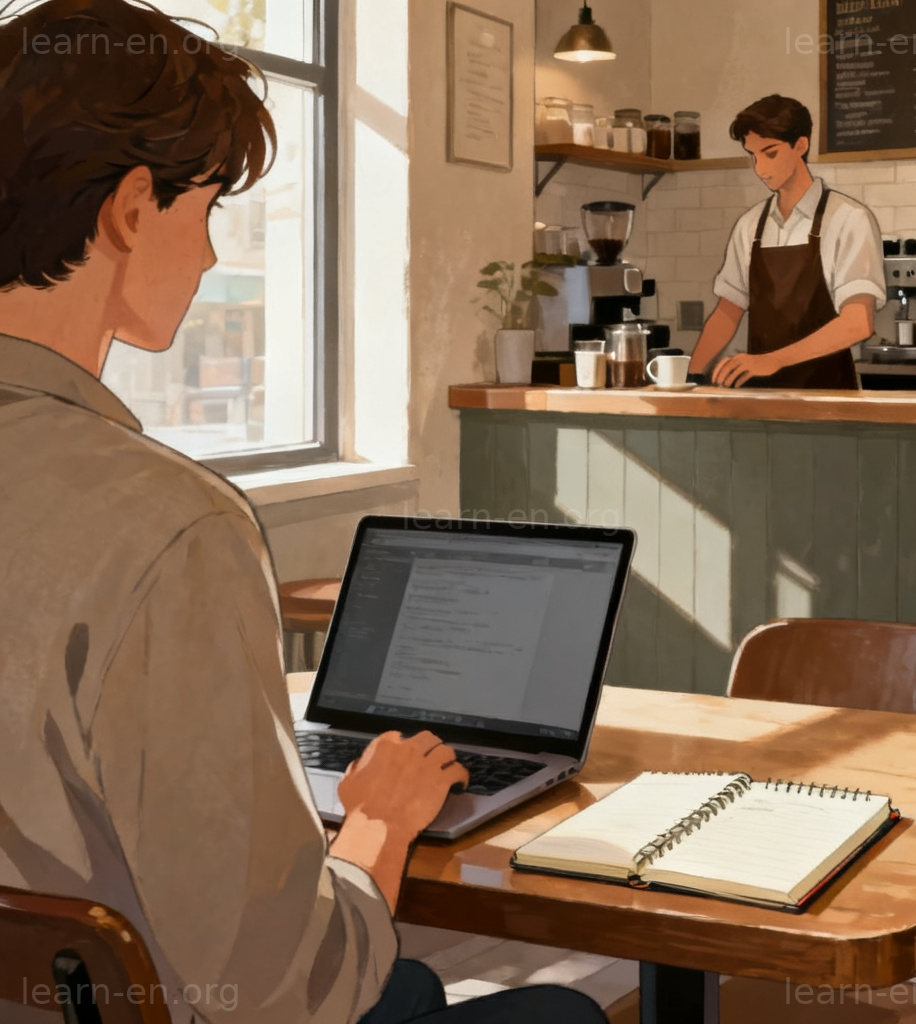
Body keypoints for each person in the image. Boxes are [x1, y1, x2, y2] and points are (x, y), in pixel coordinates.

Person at [0, 3, 608, 1023]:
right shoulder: (171, 524)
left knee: (409, 985)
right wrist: (377, 822)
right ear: (129, 208)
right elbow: (283, 995)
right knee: (562, 1014)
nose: (204, 257)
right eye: (206, 210)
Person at [689, 94, 886, 389]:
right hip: (762, 401)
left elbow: (858, 322)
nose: (760, 169)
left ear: (801, 145)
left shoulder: (849, 219)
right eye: (753, 156)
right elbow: (726, 314)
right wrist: (688, 378)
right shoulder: (750, 226)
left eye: (770, 153)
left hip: (830, 401)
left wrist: (774, 360)